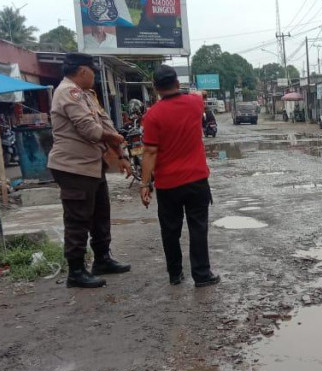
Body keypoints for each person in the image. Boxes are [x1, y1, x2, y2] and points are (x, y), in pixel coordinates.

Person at [48, 52, 132, 289]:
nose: (95, 77)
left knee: (100, 214)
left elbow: (105, 123)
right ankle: (75, 271)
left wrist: (122, 155)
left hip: (92, 166)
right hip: (74, 167)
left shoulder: (85, 95)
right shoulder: (68, 92)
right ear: (83, 71)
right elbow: (90, 130)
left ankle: (102, 259)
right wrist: (114, 137)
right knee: (78, 219)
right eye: (93, 72)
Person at [140, 65, 220, 288]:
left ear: (155, 88)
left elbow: (150, 152)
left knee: (170, 230)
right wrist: (195, 93)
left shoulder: (152, 115)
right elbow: (199, 95)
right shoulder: (195, 104)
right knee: (198, 227)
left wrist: (145, 184)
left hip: (168, 184)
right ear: (177, 83)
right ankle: (202, 275)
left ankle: (175, 275)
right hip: (196, 180)